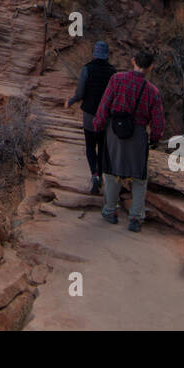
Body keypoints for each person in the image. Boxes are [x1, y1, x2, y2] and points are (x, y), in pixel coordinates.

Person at [92, 48, 164, 232]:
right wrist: (155, 138)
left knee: (111, 172)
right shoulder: (152, 91)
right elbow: (157, 121)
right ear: (150, 67)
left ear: (133, 61)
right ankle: (136, 218)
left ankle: (110, 210)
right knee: (139, 177)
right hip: (138, 135)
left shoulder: (117, 80)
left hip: (115, 131)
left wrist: (99, 124)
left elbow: (105, 104)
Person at [64, 41, 116, 195]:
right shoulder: (113, 72)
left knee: (89, 146)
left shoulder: (87, 69)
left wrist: (71, 101)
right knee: (102, 146)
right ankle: (99, 174)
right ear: (107, 55)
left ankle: (94, 174)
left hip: (89, 114)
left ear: (94, 53)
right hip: (105, 116)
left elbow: (80, 93)